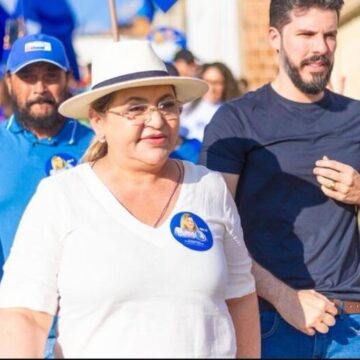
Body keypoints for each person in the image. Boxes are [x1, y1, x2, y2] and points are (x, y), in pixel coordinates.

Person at [0, 39, 260, 358]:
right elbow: (23, 314)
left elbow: (241, 296)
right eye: (136, 108)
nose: (156, 120)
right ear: (98, 121)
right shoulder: (60, 195)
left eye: (166, 104)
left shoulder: (209, 187)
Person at [201, 0, 360, 358]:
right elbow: (212, 229)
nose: (320, 47)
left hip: (352, 327)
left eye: (329, 35)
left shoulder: (356, 118)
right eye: (306, 34)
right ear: (274, 37)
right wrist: (282, 296)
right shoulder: (236, 122)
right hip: (269, 323)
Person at [0, 33, 94, 357]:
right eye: (28, 76)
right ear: (9, 82)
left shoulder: (101, 145)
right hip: (13, 330)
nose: (40, 87)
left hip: (86, 331)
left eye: (50, 75)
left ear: (69, 79)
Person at [181, 61, 240, 142]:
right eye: (207, 81)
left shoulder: (233, 114)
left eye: (216, 83)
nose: (211, 88)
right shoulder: (187, 107)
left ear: (226, 85)